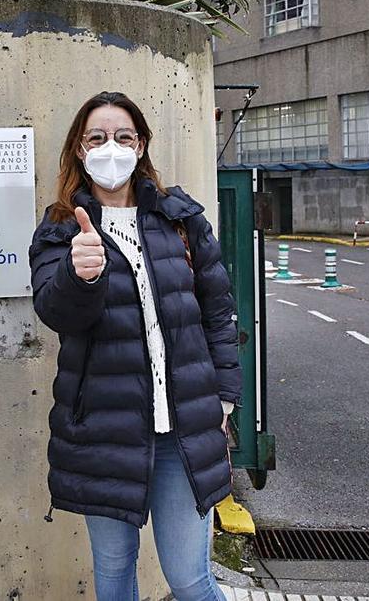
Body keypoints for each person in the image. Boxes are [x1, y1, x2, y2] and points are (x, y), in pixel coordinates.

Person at [28, 92, 241, 601]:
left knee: (191, 579)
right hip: (104, 430)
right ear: (79, 150)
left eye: (123, 137)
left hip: (183, 428)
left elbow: (218, 313)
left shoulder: (181, 219)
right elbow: (56, 314)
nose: (111, 148)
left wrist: (225, 398)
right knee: (115, 576)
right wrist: (82, 276)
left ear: (140, 145)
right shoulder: (61, 229)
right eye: (97, 138)